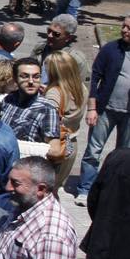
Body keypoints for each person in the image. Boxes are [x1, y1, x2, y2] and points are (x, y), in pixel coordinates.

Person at [77, 14, 130, 205]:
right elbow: (95, 78)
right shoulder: (111, 49)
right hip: (105, 110)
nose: (124, 30)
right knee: (93, 151)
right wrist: (92, 108)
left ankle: (115, 193)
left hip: (129, 115)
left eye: (129, 28)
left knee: (124, 156)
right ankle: (85, 189)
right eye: (124, 26)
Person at [1, 58, 61, 159]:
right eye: (24, 76)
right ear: (15, 79)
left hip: (23, 165)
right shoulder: (8, 100)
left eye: (36, 77)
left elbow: (55, 151)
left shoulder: (46, 109)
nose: (31, 81)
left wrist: (11, 146)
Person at [42, 50, 85, 189]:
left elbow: (49, 119)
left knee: (43, 190)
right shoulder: (81, 88)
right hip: (70, 144)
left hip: (55, 146)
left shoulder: (54, 92)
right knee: (54, 189)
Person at [33, 14, 88, 82]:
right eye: (49, 31)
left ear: (68, 38)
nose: (50, 35)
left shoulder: (76, 59)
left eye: (56, 34)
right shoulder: (40, 48)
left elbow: (81, 85)